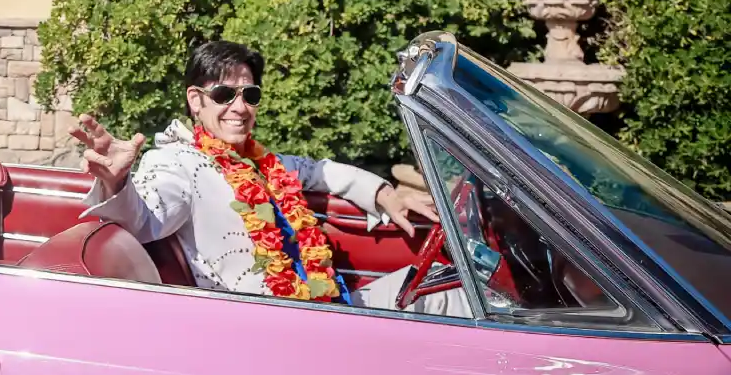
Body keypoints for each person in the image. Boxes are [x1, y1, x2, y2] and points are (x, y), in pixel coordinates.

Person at [72, 39, 469, 315]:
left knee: (450, 284)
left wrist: (386, 194)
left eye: (250, 95)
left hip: (324, 308)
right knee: (453, 300)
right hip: (270, 327)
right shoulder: (178, 162)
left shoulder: (263, 163)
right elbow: (145, 219)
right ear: (195, 100)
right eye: (225, 95)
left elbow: (321, 172)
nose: (240, 108)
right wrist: (118, 181)